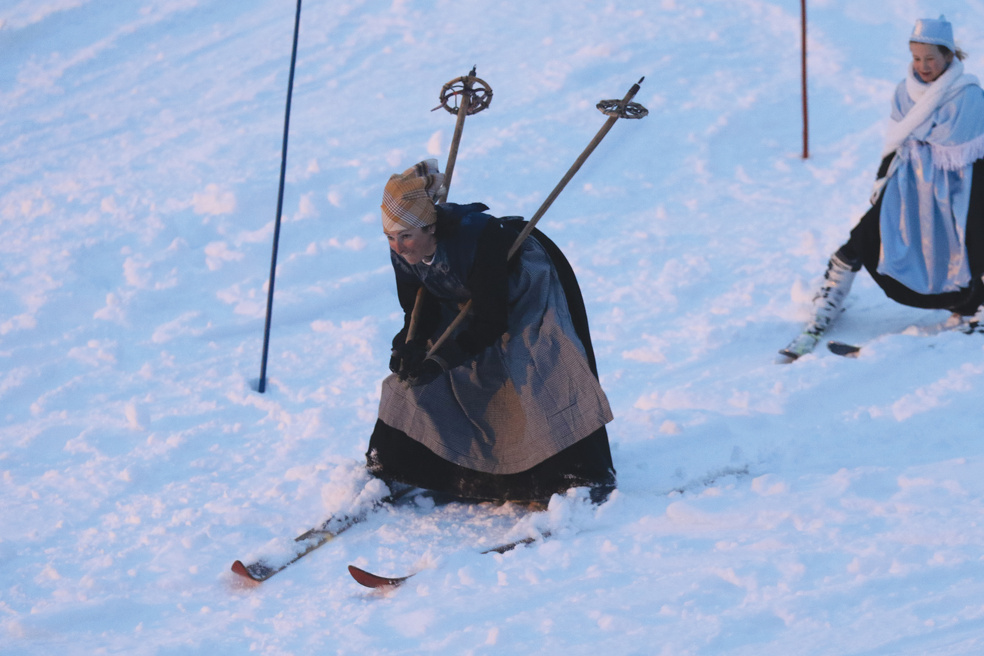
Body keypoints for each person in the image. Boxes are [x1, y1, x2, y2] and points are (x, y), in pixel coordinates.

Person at [364, 159, 616, 502]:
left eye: (406, 236)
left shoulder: (477, 241)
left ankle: (572, 473)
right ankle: (411, 464)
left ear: (430, 229)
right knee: (416, 380)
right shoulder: (404, 252)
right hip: (459, 293)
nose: (398, 247)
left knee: (536, 363)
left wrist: (443, 359)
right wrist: (409, 346)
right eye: (390, 238)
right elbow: (418, 306)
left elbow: (490, 320)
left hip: (522, 289)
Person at [782, 15, 984, 359]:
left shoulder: (969, 97)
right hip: (907, 185)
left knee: (968, 248)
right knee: (865, 236)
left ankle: (971, 308)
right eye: (916, 58)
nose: (922, 66)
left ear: (949, 56)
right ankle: (828, 300)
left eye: (930, 59)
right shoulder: (904, 91)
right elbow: (897, 140)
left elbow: (971, 153)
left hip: (957, 191)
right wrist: (883, 179)